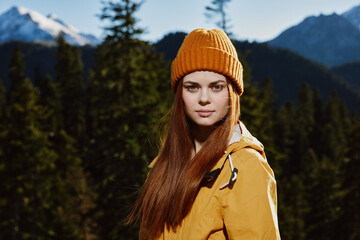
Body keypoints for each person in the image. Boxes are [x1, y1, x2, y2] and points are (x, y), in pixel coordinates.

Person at [127, 28, 281, 239]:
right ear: (180, 93)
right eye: (192, 87)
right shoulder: (161, 167)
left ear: (231, 93)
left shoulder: (244, 167)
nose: (204, 98)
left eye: (216, 87)